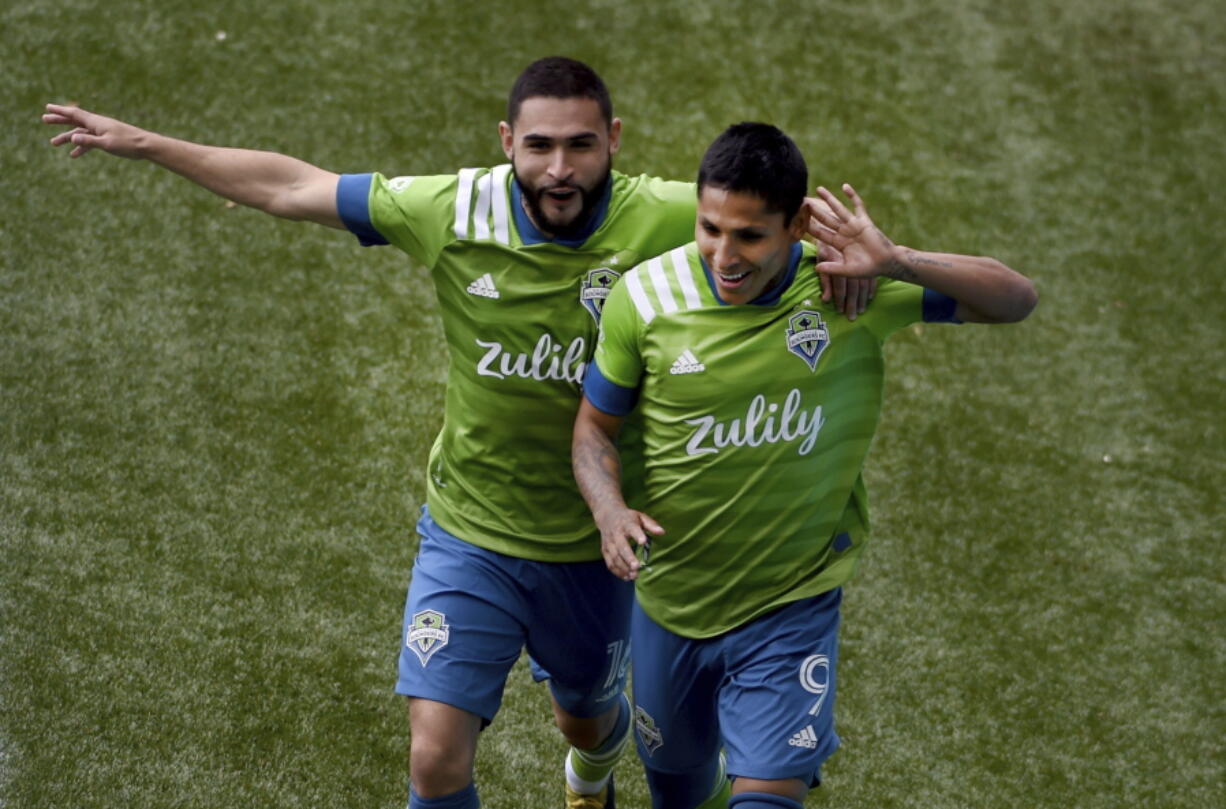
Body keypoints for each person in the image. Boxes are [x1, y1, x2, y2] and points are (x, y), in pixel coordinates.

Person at [44, 60, 870, 809]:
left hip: (598, 547)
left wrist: (868, 268)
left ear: (613, 140)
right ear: (507, 142)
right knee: (435, 757)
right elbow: (294, 187)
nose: (559, 168)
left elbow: (772, 246)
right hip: (470, 531)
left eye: (581, 145)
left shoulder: (673, 217)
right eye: (539, 145)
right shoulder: (455, 208)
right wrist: (147, 143)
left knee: (586, 719)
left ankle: (589, 774)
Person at [572, 122, 1037, 809]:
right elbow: (593, 429)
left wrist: (898, 260)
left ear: (796, 226)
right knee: (678, 790)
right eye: (709, 228)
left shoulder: (848, 287)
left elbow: (1015, 299)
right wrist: (608, 509)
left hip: (791, 600)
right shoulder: (643, 300)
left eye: (750, 236)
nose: (723, 255)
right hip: (672, 600)